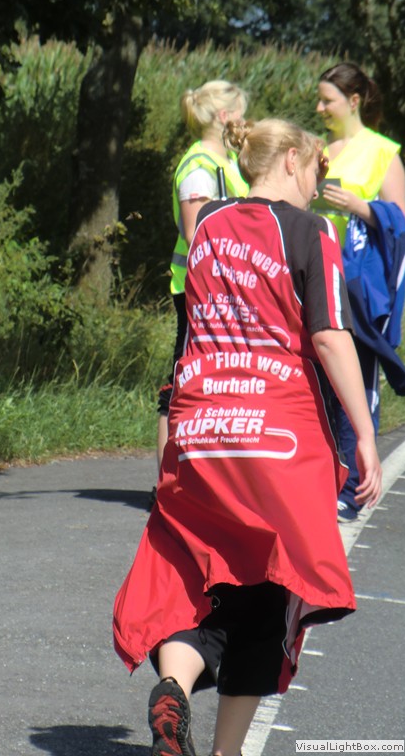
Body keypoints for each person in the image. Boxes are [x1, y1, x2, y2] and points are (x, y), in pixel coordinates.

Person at [113, 118, 382, 756]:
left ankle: (174, 688)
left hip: (202, 425)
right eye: (315, 168)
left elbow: (191, 324)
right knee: (271, 587)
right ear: (290, 159)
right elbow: (328, 335)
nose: (317, 184)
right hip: (276, 435)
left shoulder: (208, 223)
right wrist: (365, 432)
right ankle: (226, 750)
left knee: (194, 573)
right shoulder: (312, 232)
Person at [315, 62, 405, 522]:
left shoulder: (382, 152)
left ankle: (353, 488)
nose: (319, 108)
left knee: (355, 384)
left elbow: (400, 221)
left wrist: (360, 206)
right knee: (318, 382)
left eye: (327, 100)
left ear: (353, 101)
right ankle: (321, 479)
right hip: (313, 275)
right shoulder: (317, 149)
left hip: (356, 286)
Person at [154, 80, 249, 505]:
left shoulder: (229, 161)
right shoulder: (198, 166)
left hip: (227, 291)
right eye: (241, 112)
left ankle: (209, 485)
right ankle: (167, 487)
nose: (246, 119)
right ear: (224, 116)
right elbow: (196, 234)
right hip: (197, 292)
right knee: (180, 383)